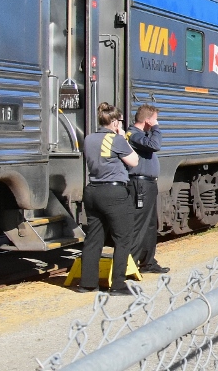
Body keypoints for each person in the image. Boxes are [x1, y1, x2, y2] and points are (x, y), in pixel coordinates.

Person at [79, 103, 139, 294]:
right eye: (120, 121)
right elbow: (134, 161)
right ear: (114, 122)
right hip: (114, 192)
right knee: (123, 238)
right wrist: (122, 137)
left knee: (93, 238)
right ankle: (118, 284)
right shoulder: (117, 139)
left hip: (92, 191)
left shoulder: (89, 138)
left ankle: (88, 283)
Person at [127, 104, 169, 274]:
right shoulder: (133, 135)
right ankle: (130, 264)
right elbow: (155, 145)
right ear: (148, 121)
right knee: (139, 225)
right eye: (155, 120)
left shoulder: (141, 135)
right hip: (139, 185)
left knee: (150, 225)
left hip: (148, 184)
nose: (157, 123)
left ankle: (148, 262)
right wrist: (156, 128)